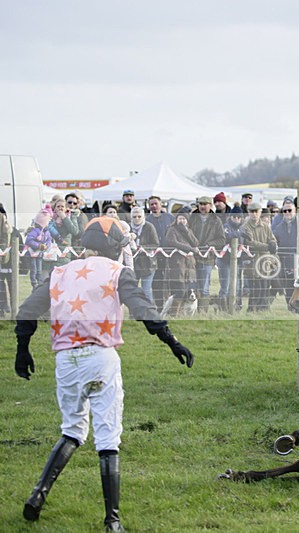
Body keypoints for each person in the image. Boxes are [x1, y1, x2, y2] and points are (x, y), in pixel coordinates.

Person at [14, 216, 195, 532]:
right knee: (108, 436)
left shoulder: (59, 272)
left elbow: (28, 309)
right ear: (113, 247)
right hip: (100, 359)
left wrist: (22, 347)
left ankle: (37, 496)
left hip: (65, 361)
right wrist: (172, 341)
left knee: (72, 430)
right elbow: (143, 309)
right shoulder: (117, 273)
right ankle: (112, 520)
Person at [187, 196, 225, 312]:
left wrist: (209, 244)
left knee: (204, 287)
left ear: (211, 205)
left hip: (207, 259)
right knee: (192, 285)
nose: (203, 206)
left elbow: (222, 240)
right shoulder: (192, 218)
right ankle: (191, 311)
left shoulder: (216, 220)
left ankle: (202, 312)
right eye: (201, 204)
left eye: (205, 204)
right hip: (192, 257)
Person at [240, 201, 277, 312]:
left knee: (265, 287)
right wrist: (268, 246)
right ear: (248, 212)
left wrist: (273, 244)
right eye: (252, 211)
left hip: (265, 261)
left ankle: (263, 308)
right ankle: (252, 309)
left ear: (260, 212)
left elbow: (272, 239)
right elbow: (250, 243)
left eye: (256, 211)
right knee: (254, 288)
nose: (254, 214)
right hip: (252, 261)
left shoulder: (265, 226)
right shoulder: (245, 227)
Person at [161, 208, 199, 315]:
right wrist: (189, 248)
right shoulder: (172, 230)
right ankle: (173, 313)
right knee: (179, 291)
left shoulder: (189, 230)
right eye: (180, 218)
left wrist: (186, 232)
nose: (182, 221)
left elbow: (195, 242)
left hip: (189, 265)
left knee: (186, 291)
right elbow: (172, 242)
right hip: (177, 264)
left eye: (184, 219)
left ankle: (180, 313)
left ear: (187, 220)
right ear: (176, 219)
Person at [145, 196, 174, 310]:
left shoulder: (170, 218)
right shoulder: (147, 220)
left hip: (169, 254)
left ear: (161, 204)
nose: (154, 206)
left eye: (156, 203)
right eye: (151, 204)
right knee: (156, 282)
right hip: (154, 256)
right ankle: (159, 306)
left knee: (169, 281)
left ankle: (171, 306)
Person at [129, 206, 160, 302]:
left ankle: (149, 312)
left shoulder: (149, 227)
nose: (137, 219)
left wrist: (143, 248)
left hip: (148, 263)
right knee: (132, 290)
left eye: (139, 216)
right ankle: (133, 313)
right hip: (133, 263)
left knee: (146, 290)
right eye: (134, 217)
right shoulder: (127, 227)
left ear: (143, 217)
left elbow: (155, 244)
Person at [272, 197, 298, 303]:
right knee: (288, 286)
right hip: (285, 261)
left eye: (290, 210)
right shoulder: (279, 227)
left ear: (295, 210)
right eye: (285, 211)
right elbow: (274, 241)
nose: (287, 213)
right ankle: (290, 307)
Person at [221, 206, 246, 310]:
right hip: (225, 260)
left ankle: (237, 306)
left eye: (239, 217)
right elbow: (227, 236)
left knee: (238, 285)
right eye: (234, 216)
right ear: (231, 216)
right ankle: (224, 307)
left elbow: (247, 238)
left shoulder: (243, 227)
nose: (236, 219)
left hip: (238, 260)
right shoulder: (225, 226)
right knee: (225, 285)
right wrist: (239, 234)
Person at [47, 198, 81, 267]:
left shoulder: (71, 217)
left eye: (62, 206)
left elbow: (75, 231)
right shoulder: (50, 218)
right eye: (58, 206)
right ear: (54, 208)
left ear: (66, 208)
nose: (60, 208)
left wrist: (64, 218)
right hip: (50, 251)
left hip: (64, 252)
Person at [25, 209, 53, 288]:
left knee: (39, 270)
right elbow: (29, 240)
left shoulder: (47, 232)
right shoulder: (35, 231)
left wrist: (46, 246)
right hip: (32, 254)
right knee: (33, 269)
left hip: (40, 254)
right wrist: (38, 246)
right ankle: (34, 283)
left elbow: (49, 240)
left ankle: (39, 282)